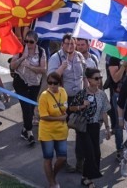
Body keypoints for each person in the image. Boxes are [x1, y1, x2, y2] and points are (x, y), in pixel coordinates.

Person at [47, 33, 86, 172]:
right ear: (62, 44)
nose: (70, 46)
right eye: (67, 44)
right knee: (62, 131)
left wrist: (87, 93)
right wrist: (61, 68)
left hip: (79, 99)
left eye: (72, 44)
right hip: (63, 100)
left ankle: (80, 162)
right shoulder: (56, 58)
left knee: (81, 130)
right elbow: (51, 78)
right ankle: (61, 160)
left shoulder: (80, 56)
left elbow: (84, 77)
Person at [69, 67, 111, 188]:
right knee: (89, 152)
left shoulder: (102, 95)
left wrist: (107, 128)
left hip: (95, 126)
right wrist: (81, 106)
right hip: (83, 126)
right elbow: (71, 108)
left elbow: (104, 112)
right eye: (96, 78)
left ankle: (86, 177)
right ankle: (89, 179)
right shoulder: (82, 93)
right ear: (88, 80)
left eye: (100, 78)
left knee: (97, 153)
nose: (99, 80)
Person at [9, 30, 47, 145]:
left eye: (31, 42)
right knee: (26, 107)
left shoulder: (41, 51)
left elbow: (43, 69)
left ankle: (25, 130)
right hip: (21, 81)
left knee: (30, 108)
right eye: (26, 41)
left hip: (34, 83)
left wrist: (30, 66)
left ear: (36, 42)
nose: (28, 44)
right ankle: (29, 132)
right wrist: (22, 58)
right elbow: (12, 66)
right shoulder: (20, 49)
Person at [38, 72, 68, 188]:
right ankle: (51, 183)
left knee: (62, 158)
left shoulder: (63, 92)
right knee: (48, 158)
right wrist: (60, 117)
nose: (52, 85)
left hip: (61, 130)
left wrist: (63, 115)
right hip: (47, 132)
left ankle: (52, 176)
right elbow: (43, 116)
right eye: (49, 83)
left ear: (59, 83)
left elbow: (65, 107)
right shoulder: (44, 96)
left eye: (55, 83)